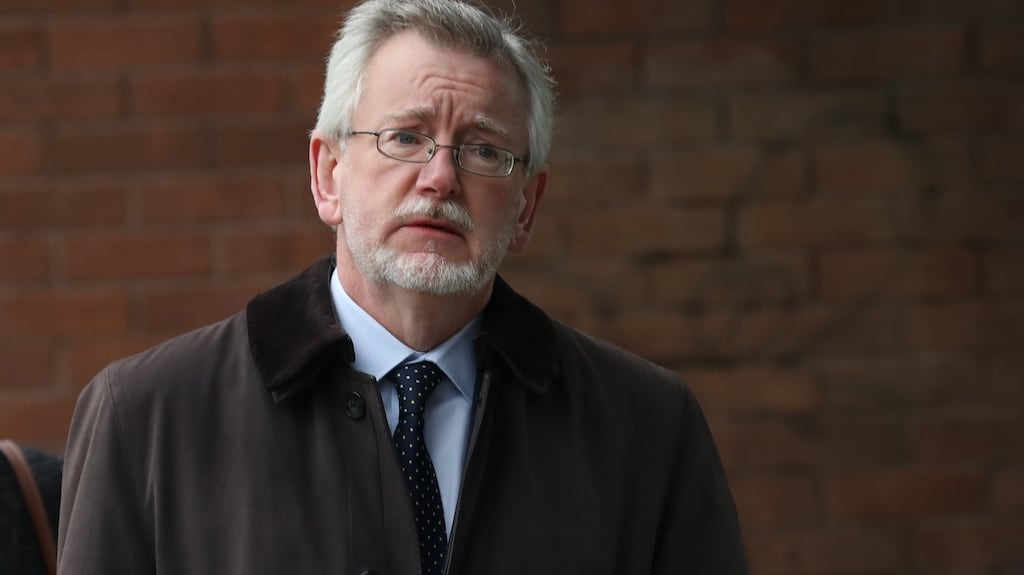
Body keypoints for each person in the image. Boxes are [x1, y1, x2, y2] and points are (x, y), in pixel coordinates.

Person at [58, 0, 748, 573]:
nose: (440, 177)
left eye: (483, 149)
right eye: (405, 137)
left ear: (528, 206)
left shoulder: (647, 427)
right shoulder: (145, 418)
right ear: (328, 174)